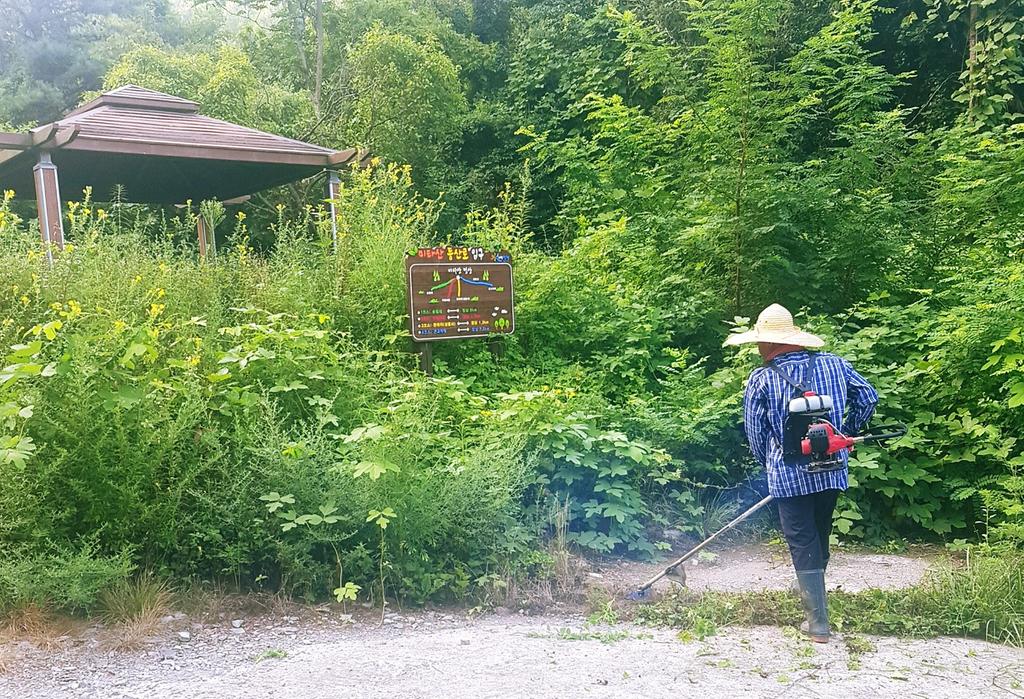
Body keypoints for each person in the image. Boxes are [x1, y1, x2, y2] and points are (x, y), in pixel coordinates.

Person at [725, 303, 878, 643]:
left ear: (769, 343)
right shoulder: (835, 364)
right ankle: (816, 613)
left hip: (788, 473)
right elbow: (868, 396)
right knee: (819, 534)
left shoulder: (761, 378)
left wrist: (769, 460)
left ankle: (818, 623)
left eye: (760, 342)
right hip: (830, 468)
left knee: (801, 540)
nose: (758, 348)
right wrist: (844, 436)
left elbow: (755, 432)